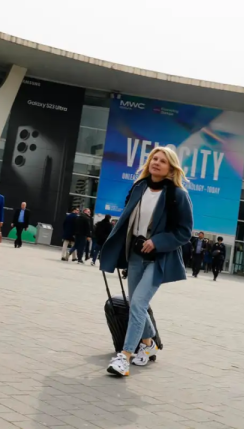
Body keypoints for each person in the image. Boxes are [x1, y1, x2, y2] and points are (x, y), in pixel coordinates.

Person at [98, 146, 193, 378]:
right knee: (135, 305)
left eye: (162, 161)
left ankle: (125, 357)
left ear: (171, 168)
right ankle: (149, 343)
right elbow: (126, 221)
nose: (156, 163)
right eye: (154, 159)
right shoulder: (139, 187)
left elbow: (184, 232)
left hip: (159, 259)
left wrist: (157, 241)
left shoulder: (177, 195)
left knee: (139, 303)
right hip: (135, 255)